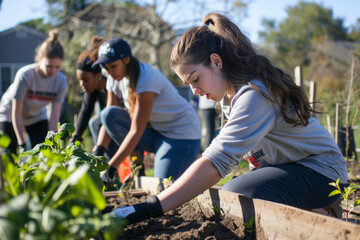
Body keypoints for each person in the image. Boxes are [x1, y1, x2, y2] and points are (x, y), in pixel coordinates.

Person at [108, 12, 348, 224]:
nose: (195, 91)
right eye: (188, 84)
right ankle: (314, 211)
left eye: (195, 79)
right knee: (235, 194)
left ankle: (325, 217)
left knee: (238, 194)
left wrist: (148, 208)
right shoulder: (229, 99)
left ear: (216, 61)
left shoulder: (255, 95)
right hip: (290, 167)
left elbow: (216, 163)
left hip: (322, 172)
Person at [91, 38, 201, 185]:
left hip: (181, 134)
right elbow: (107, 120)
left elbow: (136, 130)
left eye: (113, 66)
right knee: (108, 114)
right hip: (156, 132)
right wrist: (97, 153)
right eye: (106, 68)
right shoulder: (113, 78)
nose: (110, 72)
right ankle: (138, 168)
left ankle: (189, 167)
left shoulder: (146, 78)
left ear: (126, 60)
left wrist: (111, 168)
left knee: (162, 185)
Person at [0, 30, 67, 154]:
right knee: (9, 154)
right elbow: (16, 113)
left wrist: (53, 144)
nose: (53, 72)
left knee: (42, 152)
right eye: (49, 66)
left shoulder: (61, 80)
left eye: (57, 67)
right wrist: (22, 143)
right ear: (40, 59)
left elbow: (54, 117)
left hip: (36, 115)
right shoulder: (25, 75)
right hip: (9, 113)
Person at [70, 36, 118, 160]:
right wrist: (76, 135)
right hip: (110, 127)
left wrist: (98, 150)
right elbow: (85, 111)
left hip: (124, 126)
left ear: (98, 75)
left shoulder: (112, 85)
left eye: (85, 80)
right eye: (80, 80)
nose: (82, 85)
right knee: (94, 121)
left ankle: (105, 162)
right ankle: (102, 162)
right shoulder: (92, 88)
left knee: (97, 121)